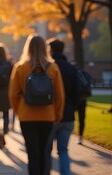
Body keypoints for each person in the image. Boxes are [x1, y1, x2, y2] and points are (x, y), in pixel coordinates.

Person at [9, 34, 65, 175]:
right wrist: (58, 114)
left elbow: (12, 94)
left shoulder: (20, 67)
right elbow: (60, 95)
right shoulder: (53, 68)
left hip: (27, 116)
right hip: (47, 116)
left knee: (32, 154)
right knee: (44, 152)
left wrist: (18, 111)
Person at [45, 38, 79, 175]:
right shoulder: (71, 68)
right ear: (63, 50)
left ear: (50, 50)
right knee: (63, 150)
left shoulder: (48, 67)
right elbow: (77, 94)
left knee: (46, 150)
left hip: (50, 115)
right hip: (68, 115)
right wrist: (72, 109)